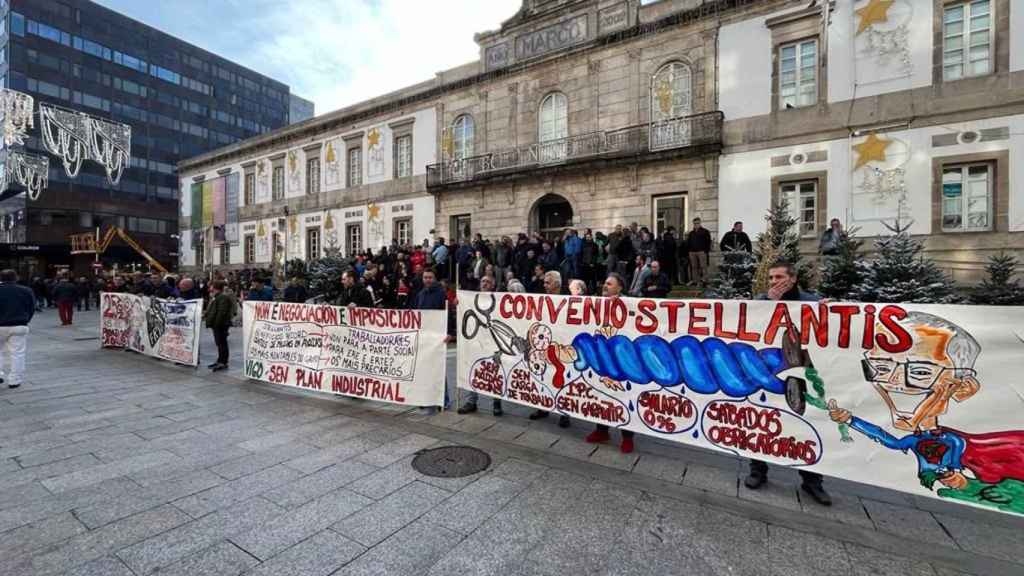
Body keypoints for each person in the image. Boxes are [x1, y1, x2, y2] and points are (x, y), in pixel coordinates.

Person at [744, 259, 831, 506]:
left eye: (779, 277)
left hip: (801, 373)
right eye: (771, 278)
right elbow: (748, 322)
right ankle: (757, 471)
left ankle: (812, 480)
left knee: (806, 425)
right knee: (760, 421)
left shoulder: (811, 302)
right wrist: (770, 304)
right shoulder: (762, 302)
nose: (774, 282)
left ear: (792, 279)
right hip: (768, 372)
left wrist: (832, 312)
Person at [585, 272, 635, 453]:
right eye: (605, 283)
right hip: (601, 356)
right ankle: (601, 430)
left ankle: (627, 436)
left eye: (609, 283)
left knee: (623, 397)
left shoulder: (629, 305)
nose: (605, 286)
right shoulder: (596, 303)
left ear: (620, 287)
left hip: (621, 359)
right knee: (601, 395)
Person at [528, 270, 571, 428]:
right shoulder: (541, 297)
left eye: (548, 282)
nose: (544, 285)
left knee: (562, 378)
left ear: (558, 284)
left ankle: (564, 412)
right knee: (543, 376)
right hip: (544, 343)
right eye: (544, 282)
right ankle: (542, 407)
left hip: (562, 344)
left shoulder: (570, 299)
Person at [457, 275, 504, 417]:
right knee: (473, 370)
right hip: (476, 341)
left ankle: (497, 403)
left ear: (493, 285)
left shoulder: (498, 300)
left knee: (495, 372)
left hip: (493, 342)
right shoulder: (472, 298)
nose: (485, 283)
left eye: (488, 282)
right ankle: (471, 401)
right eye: (483, 281)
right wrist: (459, 303)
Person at [411, 268, 451, 412]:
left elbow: (448, 314)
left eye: (430, 277)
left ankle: (444, 399)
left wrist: (449, 333)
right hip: (424, 336)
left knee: (439, 369)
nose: (427, 280)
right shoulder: (420, 294)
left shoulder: (441, 294)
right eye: (425, 277)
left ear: (434, 279)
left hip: (438, 336)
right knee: (424, 368)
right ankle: (426, 398)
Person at [0, 269, 35, 389]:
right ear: (16, 278)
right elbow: (31, 308)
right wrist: (25, 320)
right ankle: (14, 380)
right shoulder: (26, 290)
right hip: (19, 324)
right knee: (17, 353)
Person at [204, 279, 235, 372]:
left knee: (222, 343)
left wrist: (216, 324)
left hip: (220, 325)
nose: (210, 288)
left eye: (211, 286)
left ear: (215, 287)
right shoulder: (216, 297)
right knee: (219, 343)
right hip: (216, 325)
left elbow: (222, 312)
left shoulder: (222, 297)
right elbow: (212, 309)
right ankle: (220, 360)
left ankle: (223, 362)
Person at [687, 217, 712, 286]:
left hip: (701, 251)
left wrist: (706, 251)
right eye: (695, 223)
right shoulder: (691, 233)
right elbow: (688, 242)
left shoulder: (705, 231)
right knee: (694, 267)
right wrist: (689, 251)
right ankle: (695, 281)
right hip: (692, 252)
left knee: (703, 266)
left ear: (700, 223)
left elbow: (708, 242)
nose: (696, 225)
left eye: (697, 223)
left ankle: (705, 281)